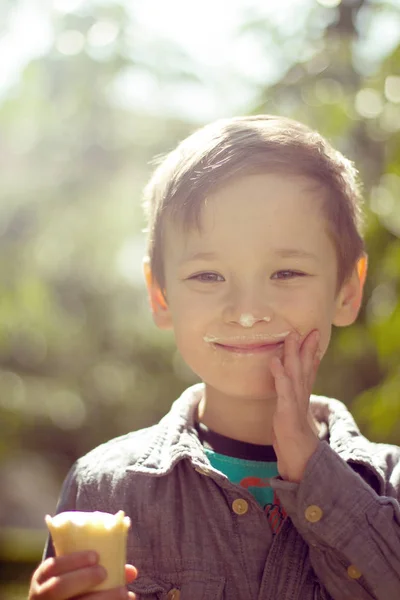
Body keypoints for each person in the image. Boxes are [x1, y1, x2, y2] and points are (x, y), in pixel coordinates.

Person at [29, 115, 400, 600]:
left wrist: (313, 467)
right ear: (160, 296)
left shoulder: (387, 488)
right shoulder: (105, 488)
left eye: (286, 272)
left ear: (347, 290)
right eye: (208, 276)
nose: (246, 313)